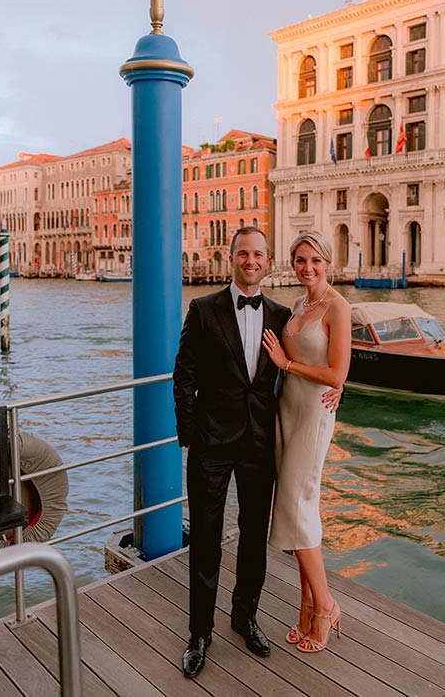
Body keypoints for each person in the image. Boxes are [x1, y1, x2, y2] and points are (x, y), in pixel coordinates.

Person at [173, 226, 292, 678]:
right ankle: (199, 632)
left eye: (258, 254)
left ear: (268, 260)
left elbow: (298, 373)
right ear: (231, 257)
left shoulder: (281, 315)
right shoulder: (202, 310)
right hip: (210, 445)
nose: (251, 260)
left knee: (252, 539)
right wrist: (190, 434)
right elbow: (183, 375)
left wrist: (333, 392)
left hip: (260, 445)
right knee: (205, 538)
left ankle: (245, 617)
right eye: (243, 253)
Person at [262, 230, 351, 653]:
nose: (307, 267)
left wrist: (287, 363)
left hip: (314, 414)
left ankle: (326, 606)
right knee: (301, 509)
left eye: (315, 260)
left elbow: (336, 375)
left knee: (297, 506)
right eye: (300, 260)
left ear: (328, 263)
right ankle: (305, 607)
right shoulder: (299, 304)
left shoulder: (338, 307)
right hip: (286, 410)